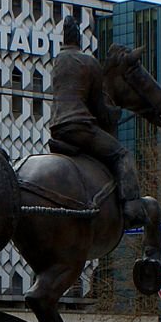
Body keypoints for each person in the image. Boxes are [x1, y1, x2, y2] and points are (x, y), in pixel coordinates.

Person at [47, 15, 147, 222]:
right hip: (79, 127)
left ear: (63, 39)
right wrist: (113, 114)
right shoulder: (88, 62)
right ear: (79, 39)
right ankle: (133, 208)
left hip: (57, 127)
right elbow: (97, 106)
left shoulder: (57, 62)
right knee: (122, 155)